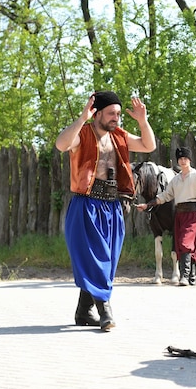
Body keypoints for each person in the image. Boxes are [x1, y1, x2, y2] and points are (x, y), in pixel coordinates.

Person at [56, 91, 156, 331]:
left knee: (107, 261)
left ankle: (83, 312)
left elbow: (148, 145)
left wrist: (143, 120)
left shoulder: (119, 136)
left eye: (119, 114)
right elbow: (61, 144)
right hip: (86, 205)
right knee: (96, 258)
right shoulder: (83, 135)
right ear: (97, 113)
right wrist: (81, 119)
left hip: (112, 206)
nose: (116, 118)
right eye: (112, 113)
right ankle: (105, 312)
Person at [136, 147, 196, 286]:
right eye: (180, 159)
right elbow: (164, 196)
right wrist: (147, 205)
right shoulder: (175, 180)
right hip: (179, 214)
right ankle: (191, 276)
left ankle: (184, 277)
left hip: (192, 213)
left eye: (185, 159)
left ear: (189, 160)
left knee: (185, 243)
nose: (182, 161)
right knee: (184, 245)